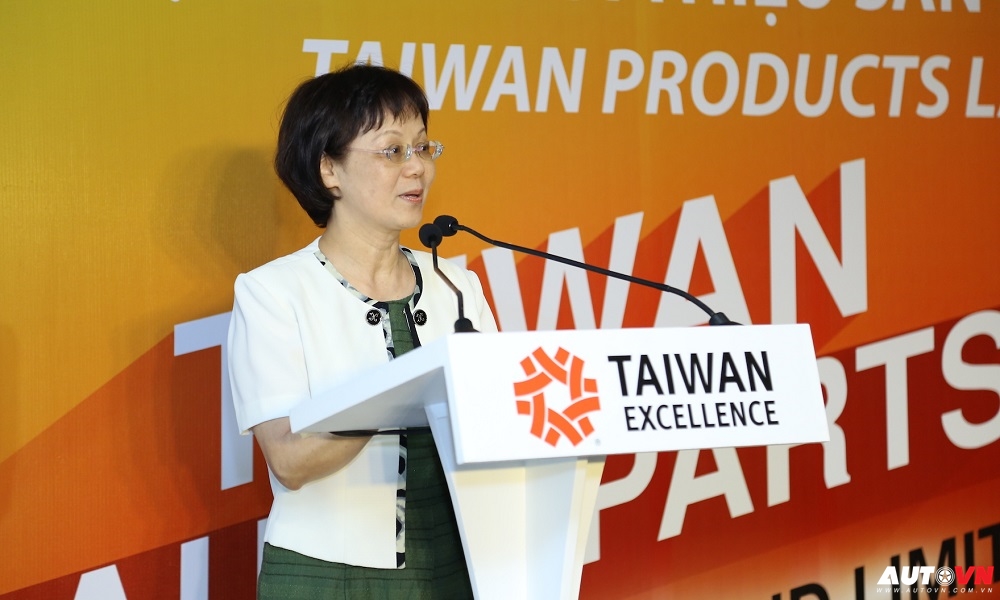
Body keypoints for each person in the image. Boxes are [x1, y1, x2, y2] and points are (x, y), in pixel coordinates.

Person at [227, 63, 497, 599]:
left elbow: (498, 419)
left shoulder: (455, 284)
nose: (416, 168)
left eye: (423, 147)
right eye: (391, 150)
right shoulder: (273, 293)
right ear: (329, 169)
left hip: (458, 562)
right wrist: (402, 392)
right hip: (327, 574)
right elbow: (290, 460)